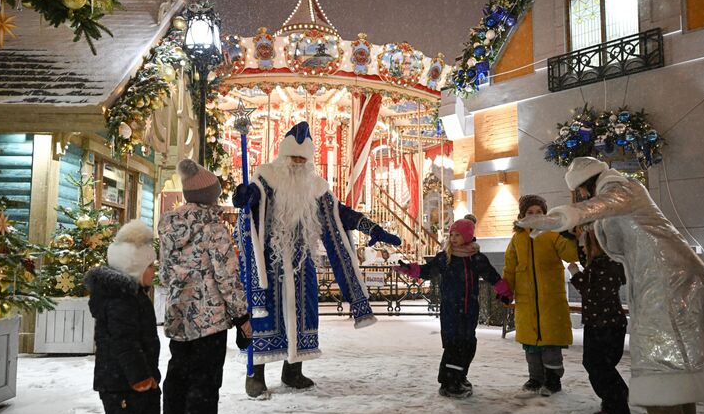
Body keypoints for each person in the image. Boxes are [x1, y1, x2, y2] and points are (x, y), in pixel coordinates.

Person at [518, 156, 704, 414]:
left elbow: (598, 207)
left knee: (655, 348)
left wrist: (556, 218)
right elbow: (607, 231)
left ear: (585, 186)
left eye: (580, 193)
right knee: (673, 348)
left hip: (665, 276)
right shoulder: (618, 198)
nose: (583, 198)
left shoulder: (620, 188)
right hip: (661, 274)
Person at [232, 122, 401, 398]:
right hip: (269, 262)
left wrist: (373, 228)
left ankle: (293, 370)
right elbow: (253, 202)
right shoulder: (266, 179)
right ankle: (256, 374)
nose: (298, 163)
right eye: (293, 158)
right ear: (283, 156)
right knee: (263, 319)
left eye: (303, 159)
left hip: (301, 263)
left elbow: (340, 214)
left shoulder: (316, 187)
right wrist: (245, 196)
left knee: (302, 313)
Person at [158, 159, 251, 414]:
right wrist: (241, 317)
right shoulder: (214, 228)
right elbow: (227, 277)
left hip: (178, 312)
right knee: (205, 379)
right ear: (210, 195)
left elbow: (164, 273)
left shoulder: (168, 225)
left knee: (178, 373)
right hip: (209, 317)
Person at [56, 221, 161, 414]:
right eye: (150, 267)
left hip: (135, 374)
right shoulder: (121, 300)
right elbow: (124, 342)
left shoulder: (134, 294)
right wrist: (139, 378)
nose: (154, 272)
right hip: (121, 379)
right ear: (136, 268)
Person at [394, 219, 513, 398]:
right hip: (451, 310)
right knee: (453, 346)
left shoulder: (476, 258)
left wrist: (504, 292)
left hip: (469, 309)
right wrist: (409, 269)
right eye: (452, 235)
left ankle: (460, 376)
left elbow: (492, 276)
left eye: (457, 235)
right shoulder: (445, 257)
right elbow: (428, 271)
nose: (454, 238)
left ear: (467, 236)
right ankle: (449, 382)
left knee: (468, 344)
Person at [504, 194, 579, 397]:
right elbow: (510, 267)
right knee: (531, 348)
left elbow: (571, 255)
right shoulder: (517, 239)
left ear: (545, 214)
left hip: (550, 301)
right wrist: (505, 290)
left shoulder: (552, 235)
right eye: (530, 212)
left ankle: (553, 380)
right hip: (527, 302)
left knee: (550, 345)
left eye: (539, 212)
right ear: (522, 215)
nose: (535, 215)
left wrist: (569, 236)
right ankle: (535, 378)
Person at [568, 229, 630, 414]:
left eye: (587, 247)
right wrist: (576, 237)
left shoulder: (604, 267)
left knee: (597, 365)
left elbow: (591, 291)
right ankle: (615, 399)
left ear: (601, 246)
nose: (584, 252)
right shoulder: (607, 263)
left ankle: (617, 405)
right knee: (603, 364)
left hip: (602, 324)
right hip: (609, 323)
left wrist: (575, 273)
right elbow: (589, 263)